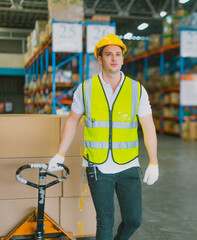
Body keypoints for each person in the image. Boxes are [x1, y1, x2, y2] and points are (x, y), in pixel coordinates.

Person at [47, 34, 159, 240]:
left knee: (134, 220)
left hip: (128, 164)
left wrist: (154, 161)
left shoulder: (137, 89)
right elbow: (72, 121)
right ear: (100, 59)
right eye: (108, 54)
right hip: (98, 166)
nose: (114, 58)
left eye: (118, 54)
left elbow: (148, 126)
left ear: (123, 59)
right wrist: (60, 154)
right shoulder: (85, 89)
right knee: (105, 221)